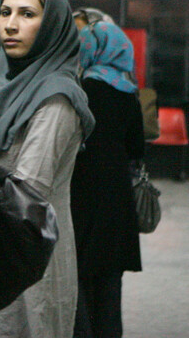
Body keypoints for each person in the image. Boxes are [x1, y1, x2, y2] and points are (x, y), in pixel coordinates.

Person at [0, 0, 95, 338]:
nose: (10, 25)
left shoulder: (56, 97)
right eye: (5, 12)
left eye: (27, 14)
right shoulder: (4, 87)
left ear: (52, 25)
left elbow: (28, 189)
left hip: (29, 259)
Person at [71, 21, 144, 338]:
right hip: (117, 194)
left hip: (81, 190)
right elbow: (137, 148)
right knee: (111, 279)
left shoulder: (80, 91)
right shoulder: (128, 93)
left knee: (81, 274)